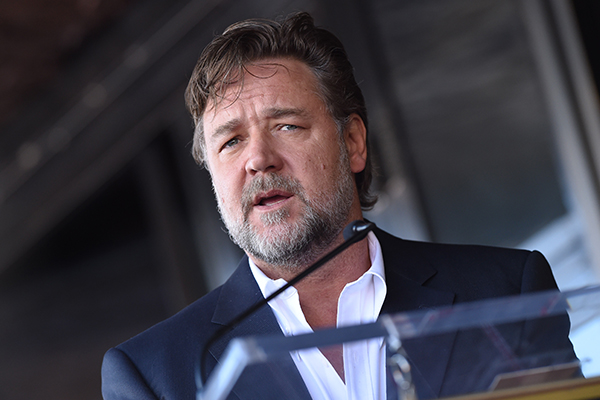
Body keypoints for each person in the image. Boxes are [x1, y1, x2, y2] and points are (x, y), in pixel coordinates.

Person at [101, 11, 577, 400]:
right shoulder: (153, 377)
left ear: (352, 143)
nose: (258, 159)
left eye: (286, 126)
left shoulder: (503, 293)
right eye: (230, 142)